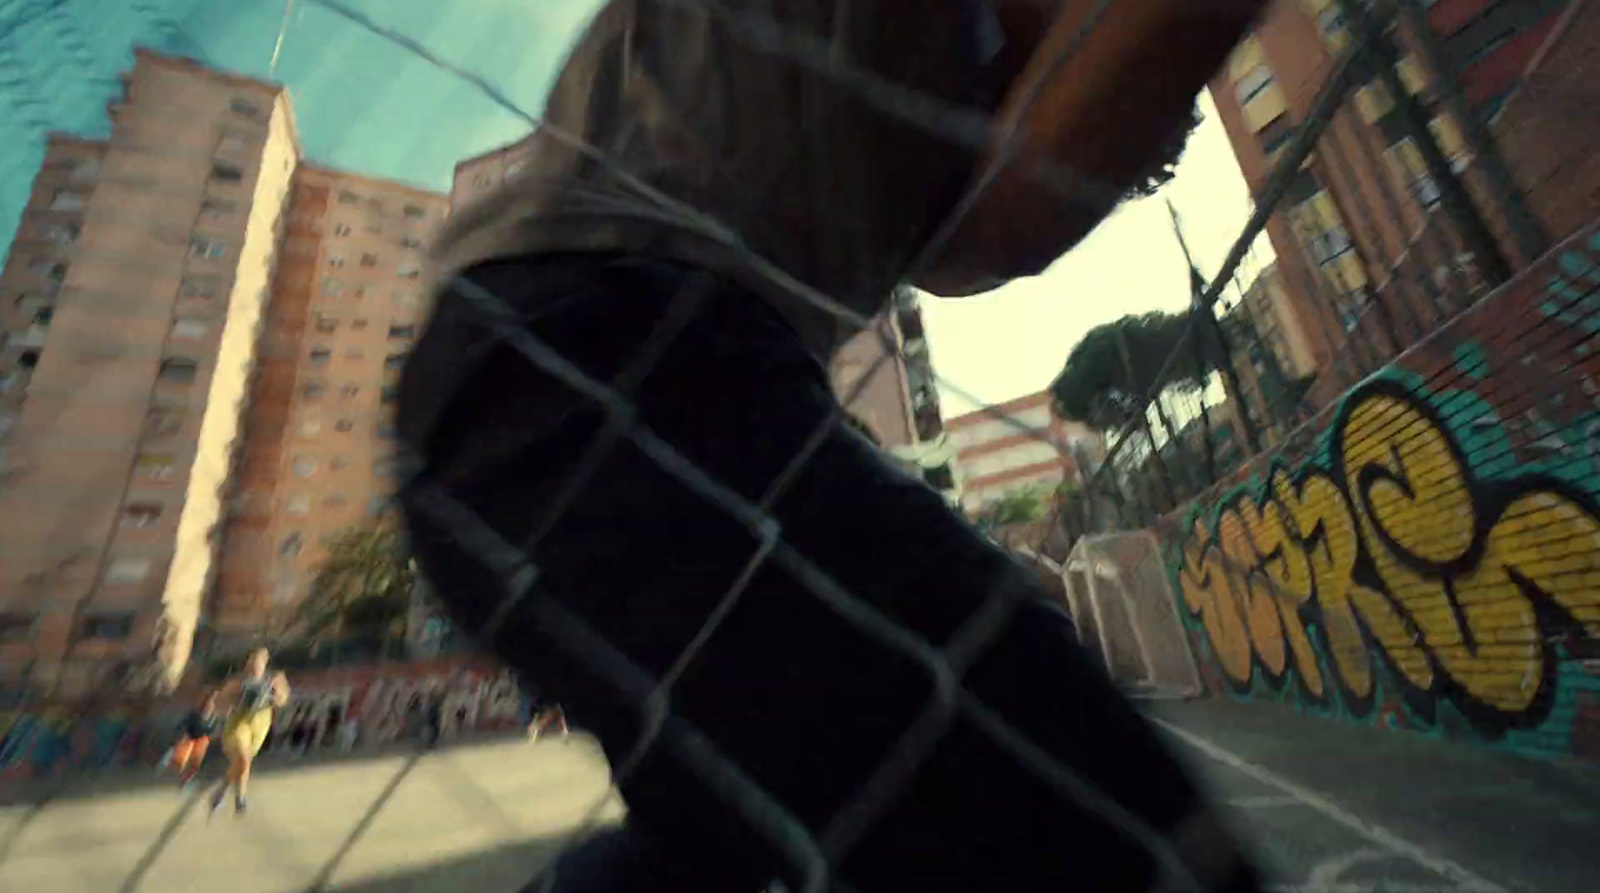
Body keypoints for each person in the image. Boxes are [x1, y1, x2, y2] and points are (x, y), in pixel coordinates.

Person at [399, 2, 1272, 891]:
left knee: (760, 827)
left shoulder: (841, 84)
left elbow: (965, 242)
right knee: (1092, 810)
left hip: (522, 379)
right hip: (609, 354)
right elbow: (1007, 218)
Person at [212, 648, 290, 817]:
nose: (255, 665)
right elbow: (220, 702)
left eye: (259, 661)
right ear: (247, 662)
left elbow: (283, 698)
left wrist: (274, 697)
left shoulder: (274, 679)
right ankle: (240, 799)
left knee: (243, 763)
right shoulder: (238, 682)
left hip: (260, 724)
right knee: (243, 758)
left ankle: (224, 790)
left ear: (265, 662)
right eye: (252, 661)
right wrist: (233, 702)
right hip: (239, 723)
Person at [166, 690, 221, 789]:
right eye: (209, 702)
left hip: (202, 740)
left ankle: (184, 781)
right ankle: (171, 772)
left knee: (195, 764)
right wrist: (182, 735)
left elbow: (215, 731)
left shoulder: (214, 718)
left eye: (213, 703)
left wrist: (212, 737)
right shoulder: (195, 714)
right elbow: (183, 725)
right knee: (179, 761)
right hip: (189, 737)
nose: (210, 705)